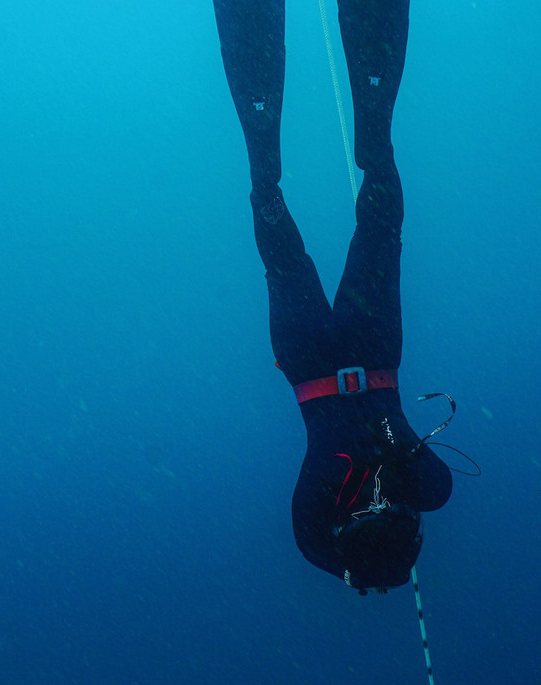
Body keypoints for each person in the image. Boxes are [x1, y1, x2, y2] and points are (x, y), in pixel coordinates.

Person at [213, 0, 452, 593]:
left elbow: (309, 539)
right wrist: (392, 461)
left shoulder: (319, 524)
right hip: (369, 353)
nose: (377, 512)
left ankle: (264, 157)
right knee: (380, 221)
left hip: (316, 363)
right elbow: (439, 488)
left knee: (282, 235)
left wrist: (353, 562)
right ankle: (371, 135)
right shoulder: (416, 489)